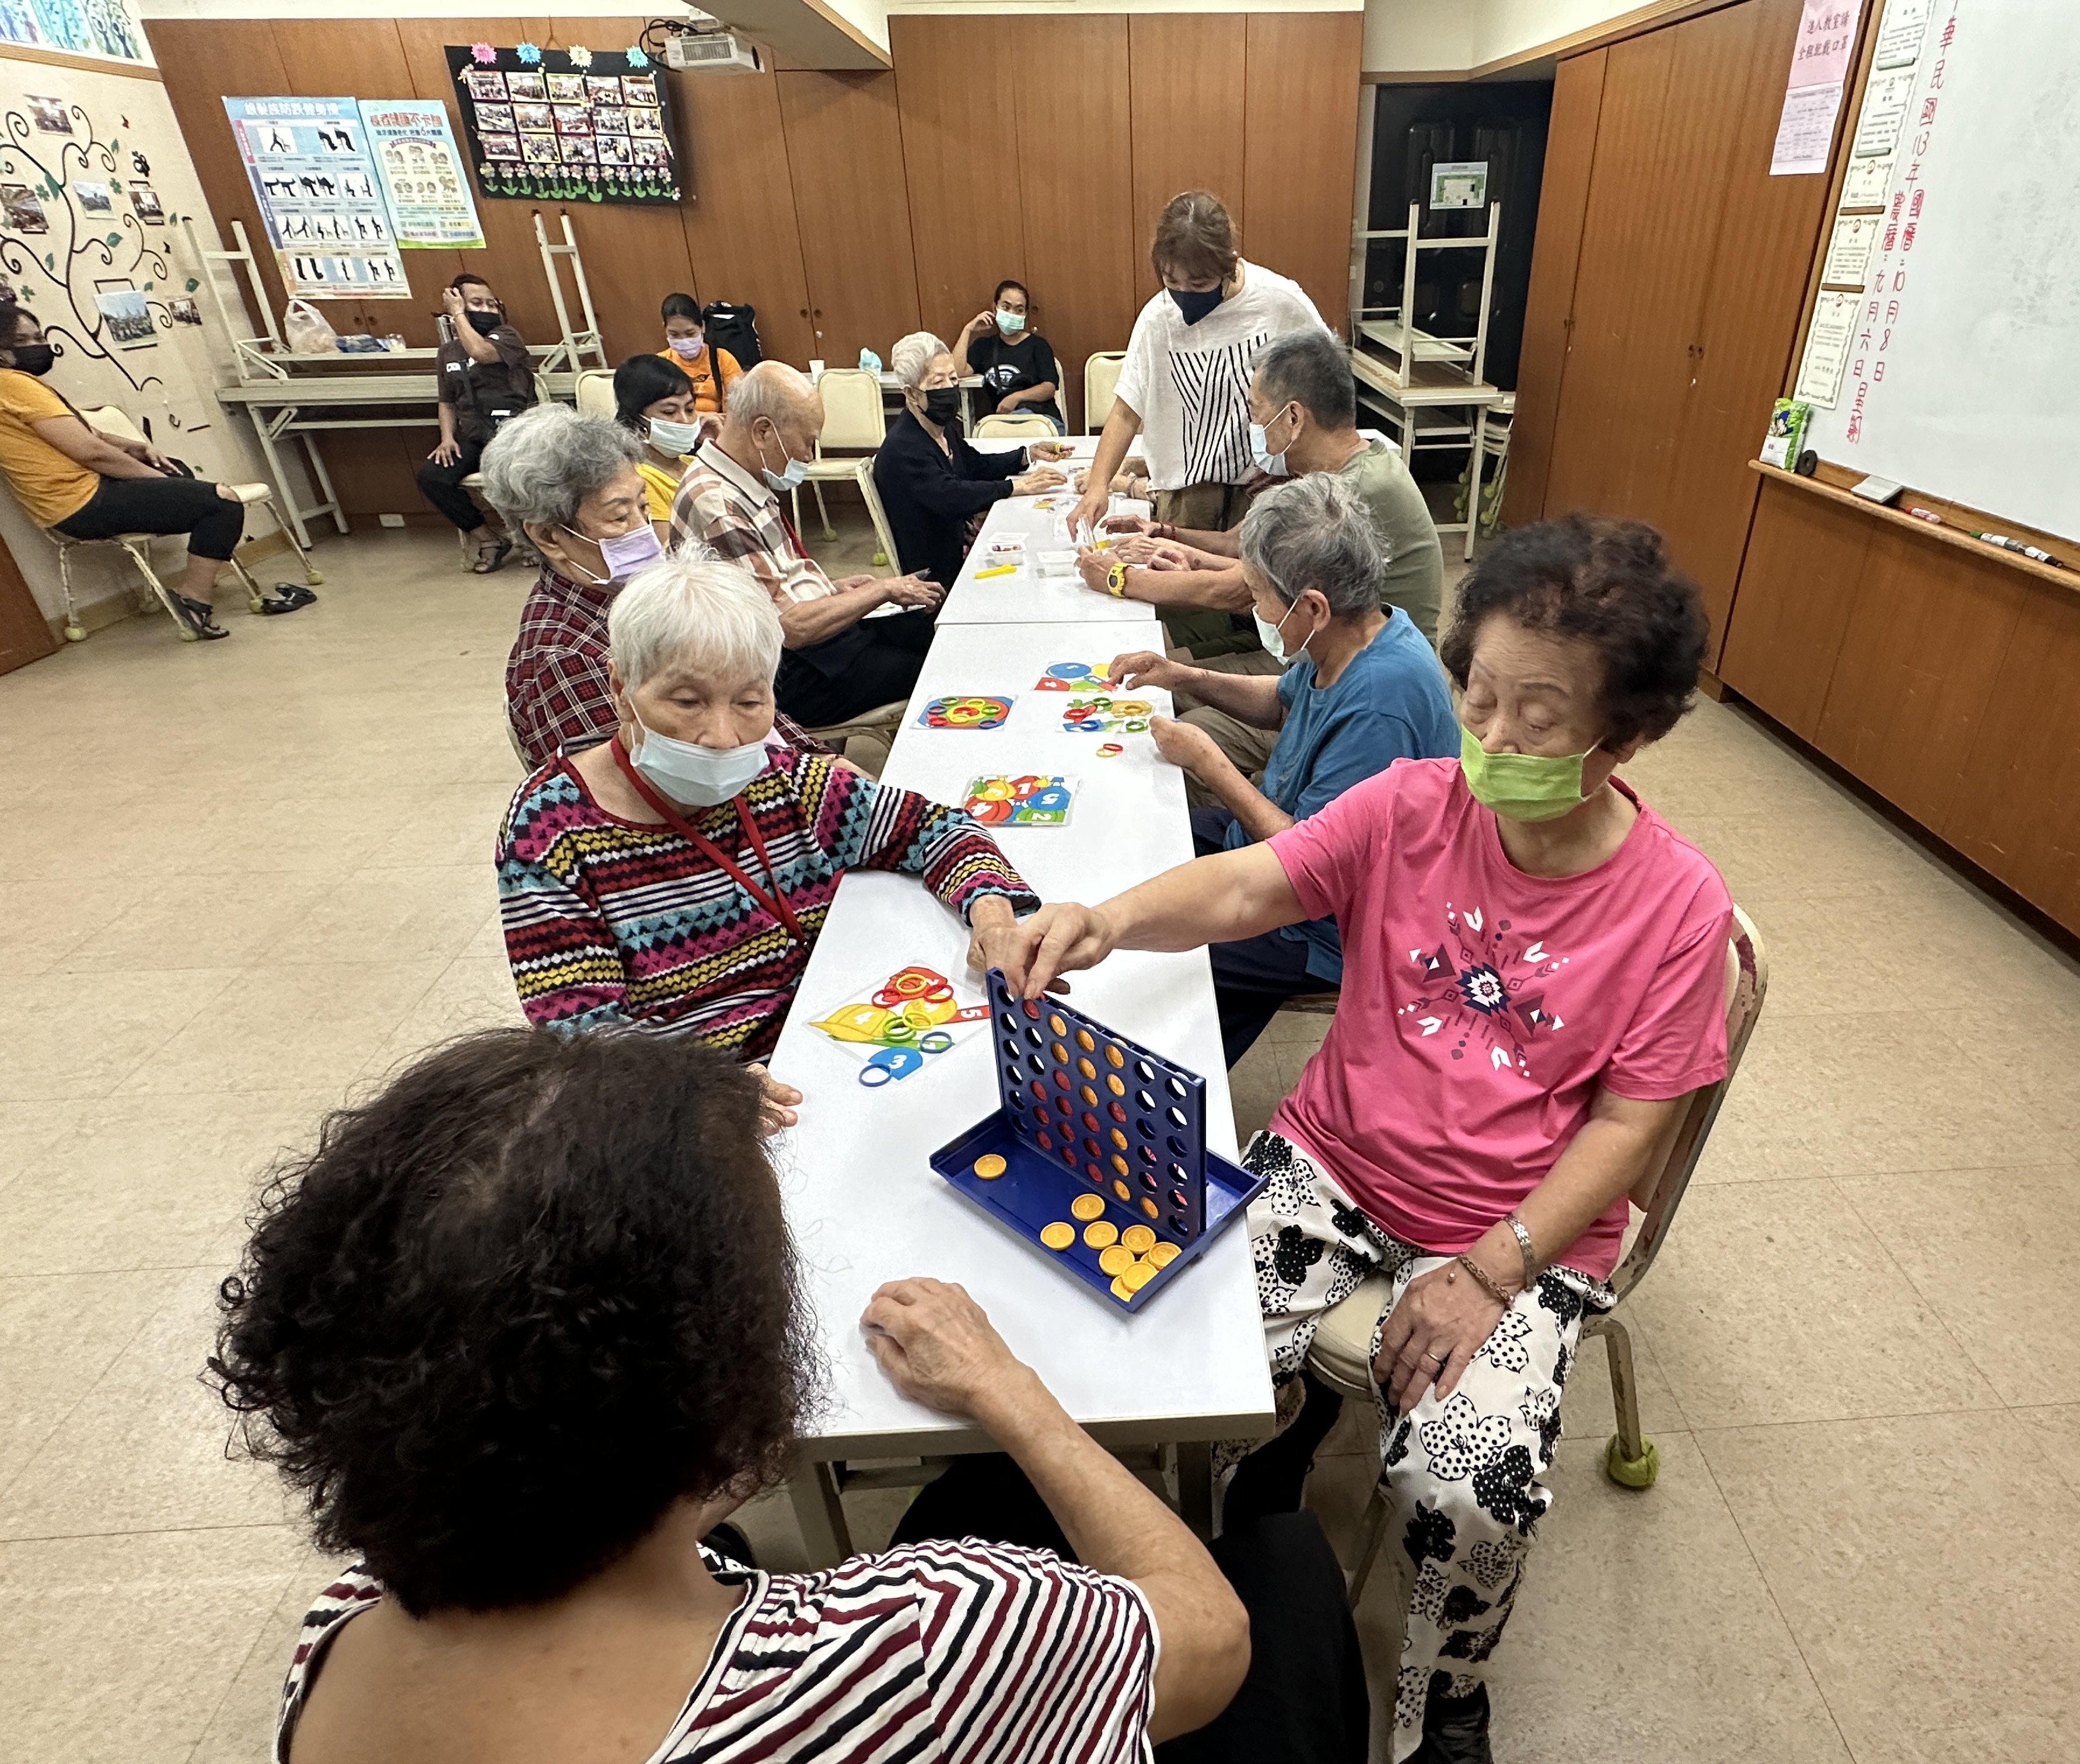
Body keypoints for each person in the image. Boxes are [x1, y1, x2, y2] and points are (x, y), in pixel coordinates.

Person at [998, 514, 1734, 1764]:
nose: (1492, 738)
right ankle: (1255, 1491)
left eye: (1539, 717)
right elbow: (1250, 888)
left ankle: (1449, 1686)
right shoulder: (1412, 804)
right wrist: (1104, 917)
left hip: (1521, 1219)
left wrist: (1494, 1270)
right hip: (1339, 1157)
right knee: (1167, 1365)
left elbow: (1632, 1123)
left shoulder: (1675, 906)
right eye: (1479, 694)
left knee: (1464, 1487)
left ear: (1633, 731)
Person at [214, 1027, 1287, 1763]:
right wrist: (1014, 1390)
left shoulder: (338, 1636)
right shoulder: (927, 1639)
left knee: (978, 1499)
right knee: (1280, 1564)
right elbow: (1208, 1639)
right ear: (716, 1378)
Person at [498, 554, 1033, 1059]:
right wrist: (708, 1097)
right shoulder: (551, 831)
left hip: (838, 1039)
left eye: (751, 703)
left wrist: (992, 916)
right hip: (702, 1096)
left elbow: (937, 830)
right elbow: (584, 1042)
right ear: (621, 687)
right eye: (687, 702)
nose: (725, 737)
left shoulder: (783, 782)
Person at [1102, 475, 1456, 1064]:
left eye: (1260, 594)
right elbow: (1284, 698)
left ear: (1312, 606)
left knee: (1161, 963)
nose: (1257, 608)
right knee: (1141, 838)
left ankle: (1158, 1098)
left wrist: (1209, 764)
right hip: (1281, 844)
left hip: (1326, 926)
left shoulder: (1380, 702)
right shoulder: (1357, 633)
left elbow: (1310, 861)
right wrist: (1187, 677)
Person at [1083, 327, 1445, 779]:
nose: (1253, 429)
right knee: (1168, 679)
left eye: (1257, 414)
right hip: (1311, 658)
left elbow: (1238, 591)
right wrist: (1169, 534)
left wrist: (1118, 578)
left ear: (1294, 417)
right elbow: (1248, 558)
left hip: (1345, 671)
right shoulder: (1341, 469)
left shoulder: (1348, 495)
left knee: (1167, 737)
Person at [483, 405, 819, 770]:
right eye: (619, 516)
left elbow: (740, 692)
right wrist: (815, 784)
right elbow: (638, 790)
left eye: (644, 507)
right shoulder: (564, 658)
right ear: (549, 537)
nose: (646, 530)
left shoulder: (646, 599)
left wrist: (819, 759)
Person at [1069, 190, 1325, 658]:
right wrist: (1098, 485)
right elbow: (1128, 408)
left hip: (1261, 495)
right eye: (1172, 282)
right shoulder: (1157, 318)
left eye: (1200, 283)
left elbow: (1326, 386)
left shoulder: (1280, 303)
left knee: (1268, 624)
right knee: (1188, 627)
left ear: (1229, 264)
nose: (1184, 295)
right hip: (1186, 500)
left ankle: (1259, 709)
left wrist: (1296, 458)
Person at [0, 298, 314, 639]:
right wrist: (156, 478)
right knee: (221, 501)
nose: (38, 346)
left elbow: (88, 434)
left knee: (182, 475)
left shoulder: (18, 383)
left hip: (76, 497)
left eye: (39, 337)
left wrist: (136, 446)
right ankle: (193, 599)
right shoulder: (13, 384)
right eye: (22, 342)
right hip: (80, 501)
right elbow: (91, 453)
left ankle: (198, 584)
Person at [670, 360, 946, 730]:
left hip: (813, 645)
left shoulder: (741, 477)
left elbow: (776, 585)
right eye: (807, 440)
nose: (808, 455)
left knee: (931, 627)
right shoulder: (718, 503)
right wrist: (881, 589)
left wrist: (834, 590)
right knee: (936, 667)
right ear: (764, 432)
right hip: (784, 671)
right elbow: (789, 628)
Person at [873, 330, 1067, 590]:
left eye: (953, 378)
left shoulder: (940, 430)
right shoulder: (905, 447)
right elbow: (951, 496)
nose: (949, 388)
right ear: (911, 394)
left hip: (961, 547)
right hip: (938, 574)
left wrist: (1026, 455)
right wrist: (1016, 487)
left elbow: (974, 464)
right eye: (937, 381)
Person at [417, 273, 536, 573]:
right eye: (477, 303)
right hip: (472, 437)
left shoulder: (508, 337)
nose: (486, 310)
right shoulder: (447, 353)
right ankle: (488, 539)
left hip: (513, 436)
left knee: (522, 476)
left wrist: (459, 314)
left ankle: (533, 541)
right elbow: (446, 401)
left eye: (491, 304)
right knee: (432, 477)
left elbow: (481, 353)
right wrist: (447, 438)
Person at [611, 351, 702, 541]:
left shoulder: (692, 462)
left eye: (690, 409)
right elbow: (671, 552)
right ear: (636, 420)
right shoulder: (640, 479)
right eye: (670, 412)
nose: (685, 421)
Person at [953, 278, 1062, 430]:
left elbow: (1049, 388)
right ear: (995, 308)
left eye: (1019, 310)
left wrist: (1016, 398)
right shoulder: (984, 347)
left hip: (1040, 418)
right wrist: (968, 330)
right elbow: (957, 372)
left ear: (1025, 314)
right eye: (1006, 307)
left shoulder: (1038, 346)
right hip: (1002, 424)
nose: (1012, 313)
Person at [657, 291, 742, 414]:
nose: (684, 340)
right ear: (665, 328)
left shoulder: (722, 359)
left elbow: (738, 407)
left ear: (702, 327)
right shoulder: (659, 364)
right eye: (674, 335)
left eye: (690, 333)